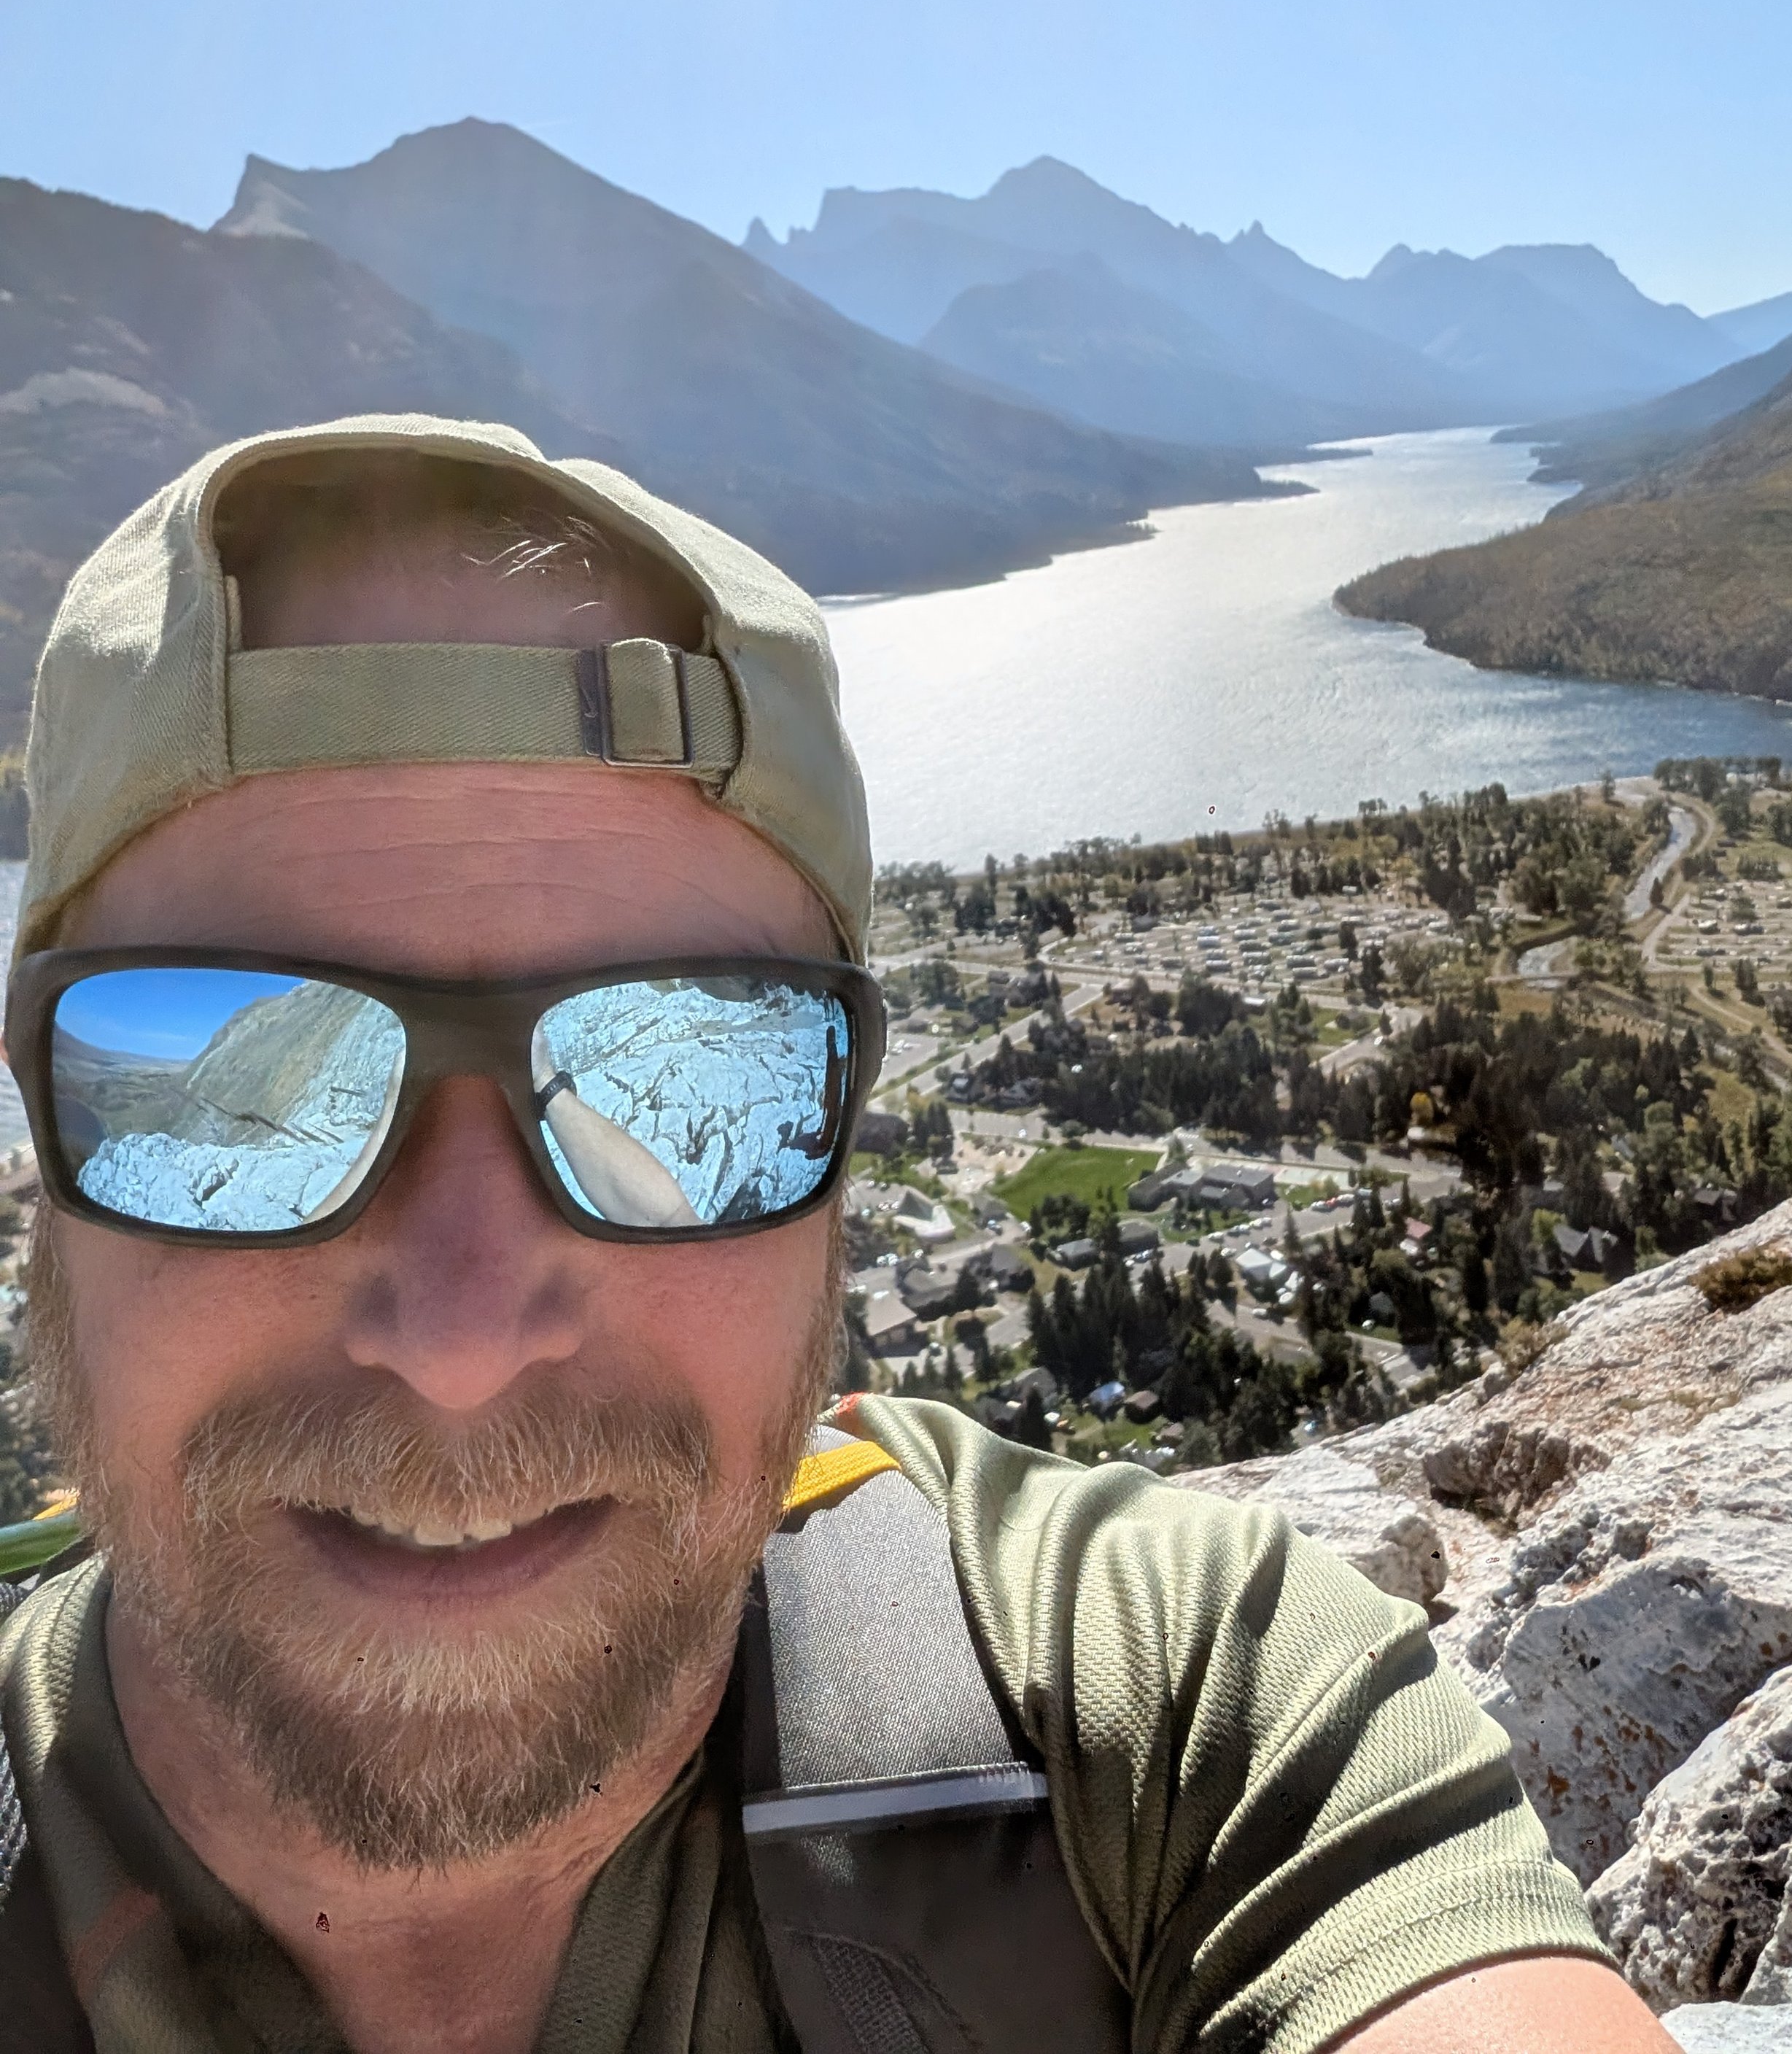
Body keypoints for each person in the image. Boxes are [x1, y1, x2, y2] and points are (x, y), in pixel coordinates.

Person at [0, 414, 1676, 2054]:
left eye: (694, 1067)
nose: (459, 1336)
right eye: (223, 1037)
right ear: (40, 1156)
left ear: (843, 1150)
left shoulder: (1156, 1718)